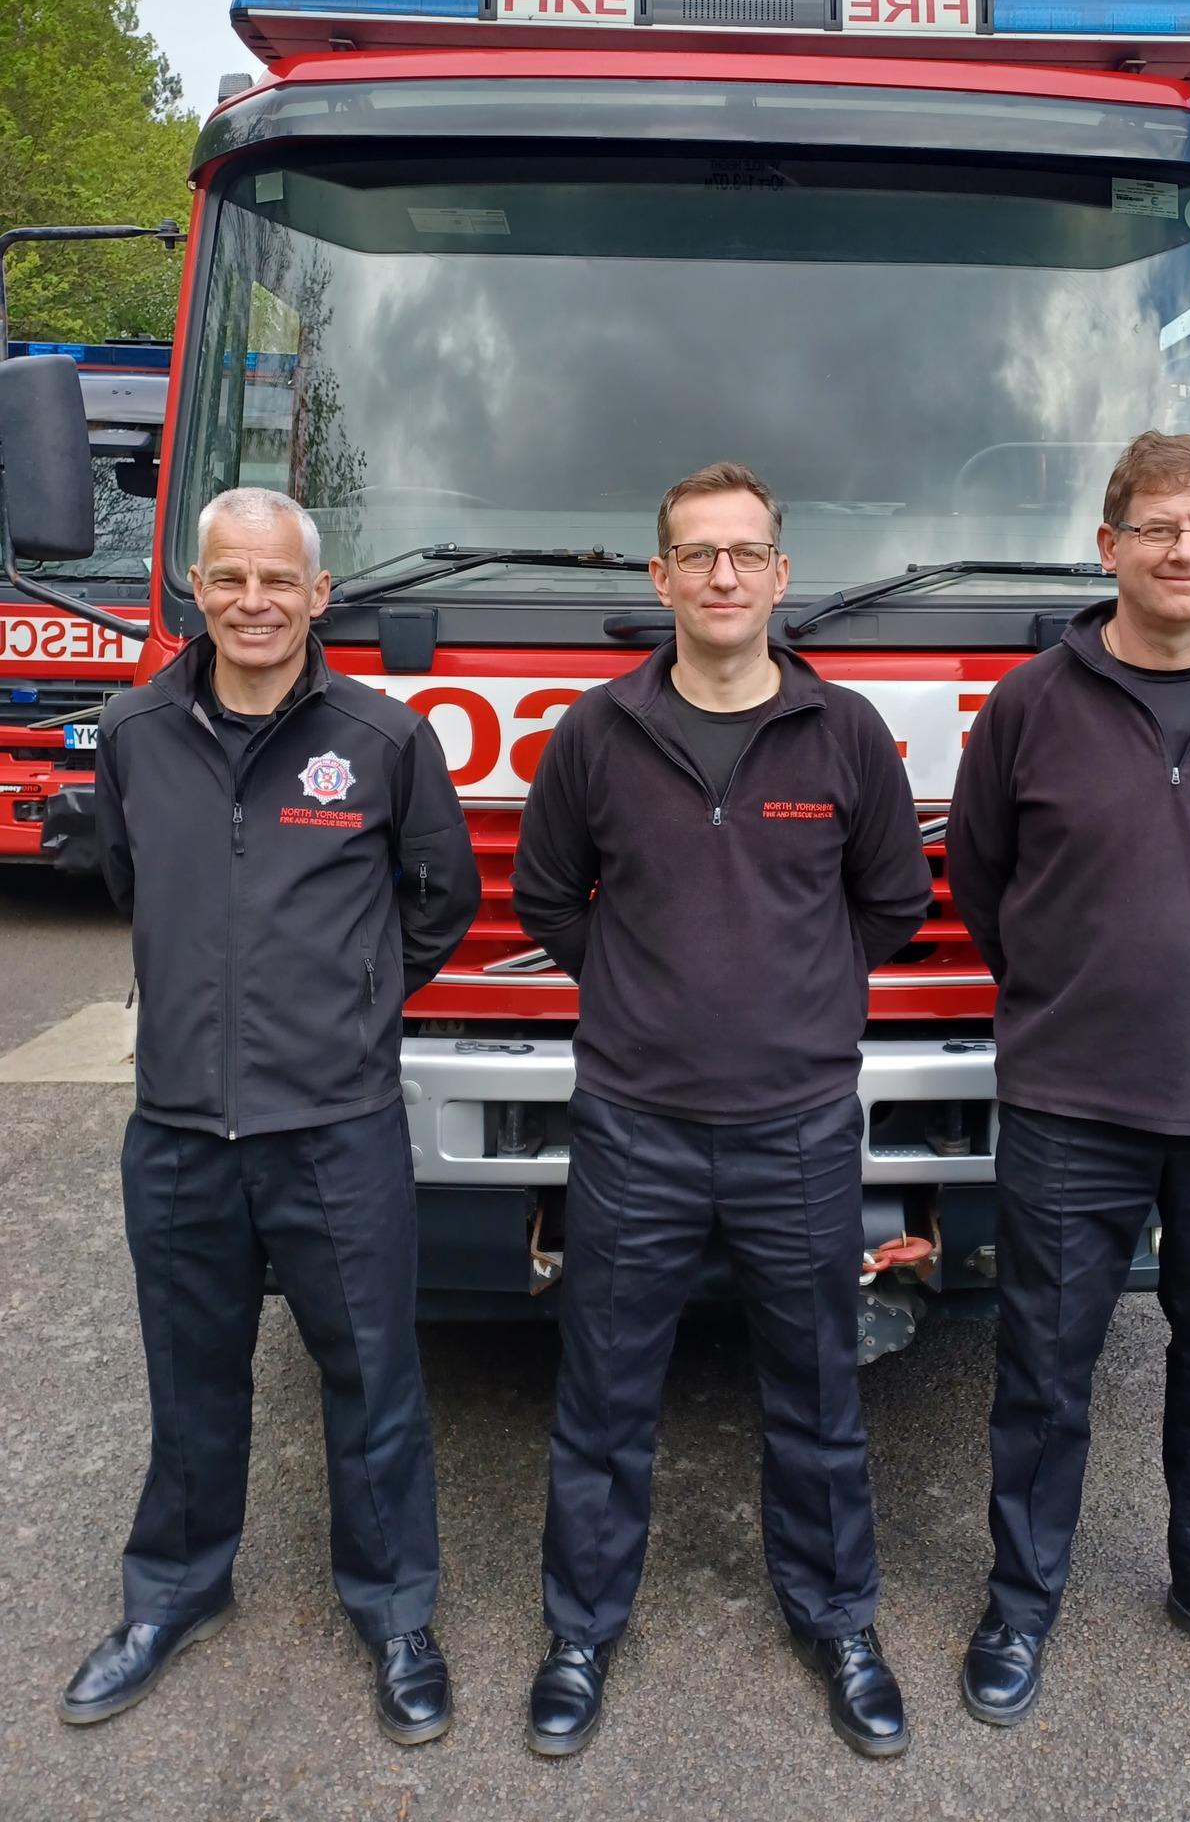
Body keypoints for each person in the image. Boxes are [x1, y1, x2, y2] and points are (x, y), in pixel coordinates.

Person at [512, 462, 932, 1760]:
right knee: (605, 1393)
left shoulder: (845, 734)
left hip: (797, 1127)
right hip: (634, 1125)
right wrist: (649, 1001)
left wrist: (792, 1005)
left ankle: (840, 1619)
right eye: (697, 554)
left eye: (746, 553)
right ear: (662, 577)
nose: (723, 576)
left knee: (816, 1392)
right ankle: (581, 1631)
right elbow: (546, 902)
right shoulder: (597, 734)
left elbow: (892, 906)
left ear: (780, 574)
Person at [61, 487, 480, 1744]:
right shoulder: (133, 727)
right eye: (229, 578)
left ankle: (397, 1609)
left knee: (373, 1379)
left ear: (319, 594)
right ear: (196, 584)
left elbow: (439, 896)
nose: (254, 602)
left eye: (277, 581)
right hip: (181, 1127)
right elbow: (131, 877)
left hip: (336, 1126)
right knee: (190, 1377)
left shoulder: (385, 736)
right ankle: (174, 1592)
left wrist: (351, 1007)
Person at [947, 430, 1190, 1736]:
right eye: (1158, 531)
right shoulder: (1030, 708)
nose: (1185, 554)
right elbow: (990, 889)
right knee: (1046, 1371)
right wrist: (1074, 996)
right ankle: (1021, 1603)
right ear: (1109, 546)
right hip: (1072, 1104)